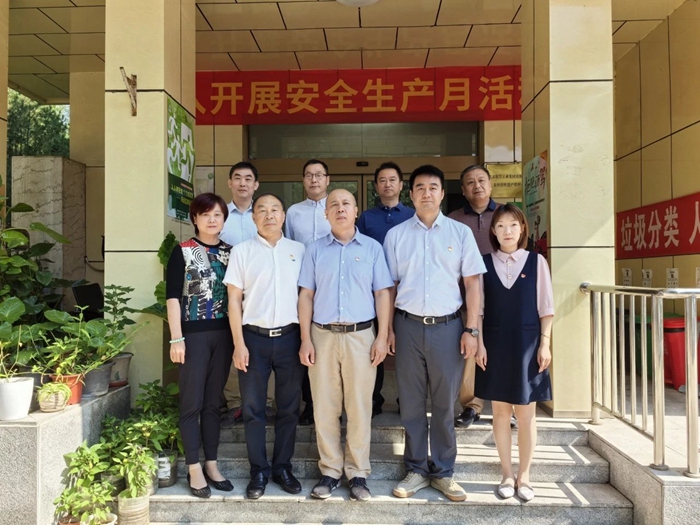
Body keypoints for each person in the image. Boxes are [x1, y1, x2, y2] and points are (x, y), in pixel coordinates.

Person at [384, 165, 485, 502]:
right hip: (407, 326)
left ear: (442, 193)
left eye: (433, 187)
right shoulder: (396, 235)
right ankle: (415, 469)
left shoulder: (459, 233)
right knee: (411, 403)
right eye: (420, 187)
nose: (426, 193)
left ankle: (443, 472)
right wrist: (388, 329)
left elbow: (473, 284)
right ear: (410, 194)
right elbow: (389, 287)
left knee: (444, 404)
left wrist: (472, 329)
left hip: (448, 328)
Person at [298, 189, 393, 501]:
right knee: (324, 406)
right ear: (326, 214)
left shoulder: (372, 248)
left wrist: (382, 336)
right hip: (322, 335)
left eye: (346, 204)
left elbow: (382, 293)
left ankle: (358, 472)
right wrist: (305, 338)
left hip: (361, 336)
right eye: (334, 205)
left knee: (359, 406)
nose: (340, 209)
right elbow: (306, 295)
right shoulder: (314, 250)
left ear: (356, 211)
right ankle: (330, 471)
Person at [224, 193, 305, 500]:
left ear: (283, 216)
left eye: (275, 210)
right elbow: (234, 300)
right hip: (253, 339)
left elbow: (306, 297)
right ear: (253, 218)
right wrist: (238, 344)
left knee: (289, 407)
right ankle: (258, 470)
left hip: (290, 338)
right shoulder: (242, 252)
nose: (269, 215)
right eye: (262, 210)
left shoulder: (298, 250)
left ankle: (282, 467)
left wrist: (306, 339)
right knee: (253, 409)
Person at [475, 203, 553, 502]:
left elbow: (546, 307)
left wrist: (545, 343)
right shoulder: (484, 263)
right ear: (493, 231)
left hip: (528, 345)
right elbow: (478, 310)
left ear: (522, 230)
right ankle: (506, 474)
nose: (507, 231)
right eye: (500, 225)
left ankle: (525, 476)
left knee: (526, 413)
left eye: (513, 225)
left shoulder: (536, 262)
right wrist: (480, 343)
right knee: (499, 412)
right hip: (494, 343)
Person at [166, 192, 234, 499]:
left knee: (212, 403)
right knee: (191, 403)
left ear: (224, 219)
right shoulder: (182, 251)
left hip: (224, 335)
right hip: (192, 336)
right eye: (205, 214)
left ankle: (212, 465)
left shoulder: (232, 253)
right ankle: (193, 467)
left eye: (217, 214)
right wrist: (176, 337)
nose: (212, 219)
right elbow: (173, 298)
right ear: (195, 218)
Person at [448, 164, 517, 430]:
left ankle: (507, 406)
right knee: (470, 349)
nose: (476, 186)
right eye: (470, 182)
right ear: (463, 190)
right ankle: (471, 405)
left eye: (481, 180)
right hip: (466, 296)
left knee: (503, 349)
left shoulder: (505, 214)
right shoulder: (453, 220)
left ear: (490, 184)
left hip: (503, 293)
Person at [357, 162, 415, 417]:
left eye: (392, 179)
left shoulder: (413, 215)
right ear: (376, 186)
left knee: (408, 349)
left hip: (408, 291)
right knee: (376, 343)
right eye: (382, 180)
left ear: (401, 185)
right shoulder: (366, 218)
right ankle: (374, 398)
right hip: (375, 293)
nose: (387, 184)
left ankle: (407, 399)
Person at [219, 161, 274, 429]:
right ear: (230, 183)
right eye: (238, 178)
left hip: (261, 292)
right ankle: (234, 404)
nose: (243, 183)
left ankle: (267, 402)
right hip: (226, 290)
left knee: (265, 346)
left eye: (248, 178)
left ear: (256, 184)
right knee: (233, 344)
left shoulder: (265, 214)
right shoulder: (220, 215)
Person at [285, 159, 332, 426]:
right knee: (305, 342)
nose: (314, 180)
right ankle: (310, 403)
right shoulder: (293, 212)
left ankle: (333, 403)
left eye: (319, 175)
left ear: (327, 179)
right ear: (303, 180)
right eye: (309, 175)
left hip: (330, 286)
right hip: (301, 287)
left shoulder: (337, 207)